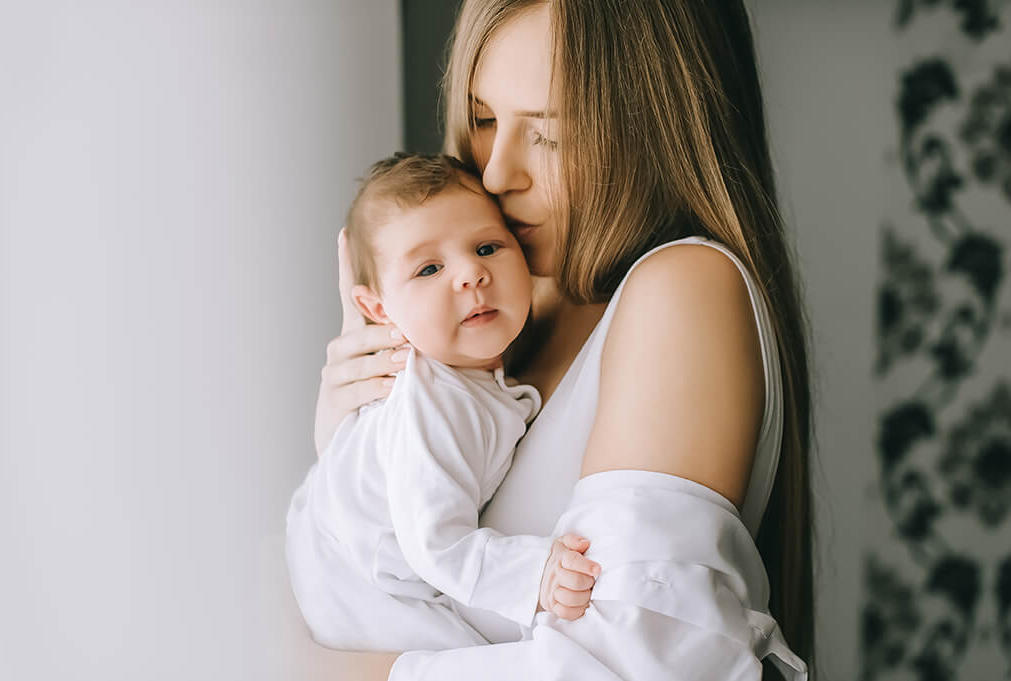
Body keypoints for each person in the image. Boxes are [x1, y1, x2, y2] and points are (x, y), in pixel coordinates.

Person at [311, 1, 815, 679]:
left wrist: (327, 667)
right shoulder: (507, 308)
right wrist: (353, 445)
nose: (496, 174)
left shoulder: (682, 289)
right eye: (484, 118)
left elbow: (624, 667)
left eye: (548, 135)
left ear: (656, 129)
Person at [285, 152, 602, 652]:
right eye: (429, 268)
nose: (471, 274)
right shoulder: (431, 402)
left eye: (487, 247)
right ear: (377, 308)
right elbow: (437, 544)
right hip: (351, 579)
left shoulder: (474, 382)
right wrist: (537, 573)